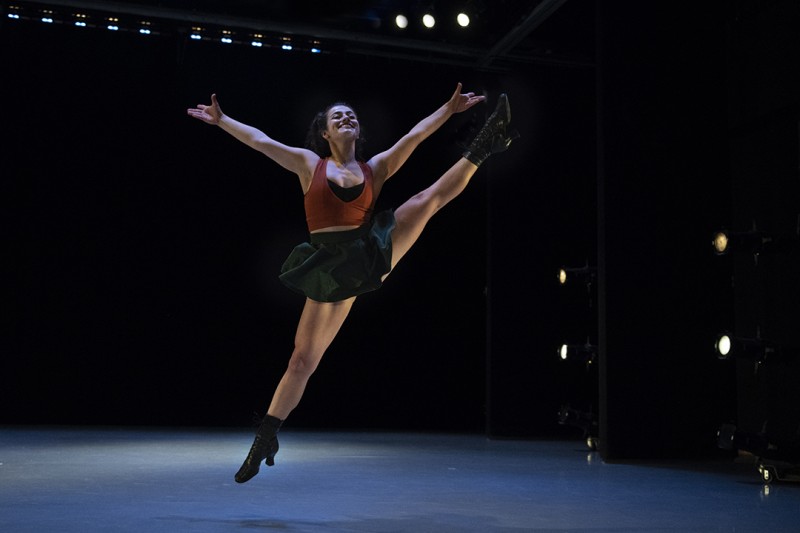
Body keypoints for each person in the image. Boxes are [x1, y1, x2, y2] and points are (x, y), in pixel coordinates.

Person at [186, 83, 516, 483]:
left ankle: (485, 142)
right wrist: (223, 121)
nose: (347, 118)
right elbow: (261, 141)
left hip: (367, 252)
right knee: (302, 361)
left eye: (351, 115)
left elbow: (414, 135)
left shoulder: (375, 168)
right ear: (325, 133)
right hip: (328, 267)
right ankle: (267, 435)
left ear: (358, 131)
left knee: (427, 201)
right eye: (337, 117)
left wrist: (448, 110)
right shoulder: (310, 165)